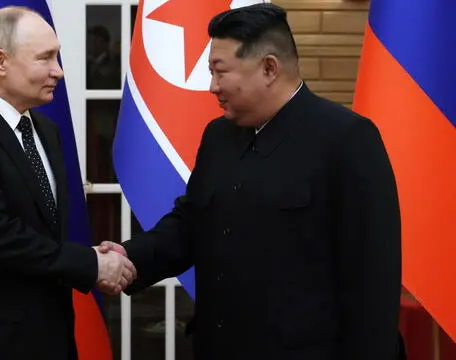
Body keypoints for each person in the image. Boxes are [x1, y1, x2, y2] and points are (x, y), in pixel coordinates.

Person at [101, 3, 403, 360]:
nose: (212, 86)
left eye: (219, 71)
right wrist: (128, 257)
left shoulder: (346, 140)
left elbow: (372, 281)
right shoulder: (219, 136)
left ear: (269, 68)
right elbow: (193, 223)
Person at [0, 7, 135, 360]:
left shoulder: (44, 131)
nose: (59, 71)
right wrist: (88, 264)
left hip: (49, 335)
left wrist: (91, 258)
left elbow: (42, 231)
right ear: (0, 61)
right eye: (45, 58)